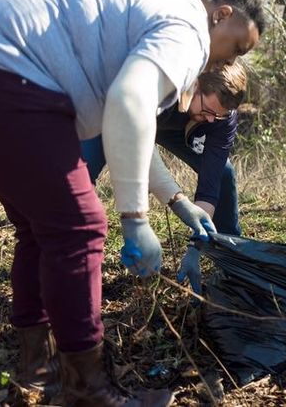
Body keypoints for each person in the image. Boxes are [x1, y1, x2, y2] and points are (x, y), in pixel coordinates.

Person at [0, 0, 265, 405]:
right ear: (223, 14)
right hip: (5, 68)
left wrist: (177, 202)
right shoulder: (189, 27)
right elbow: (129, 100)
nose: (231, 57)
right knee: (79, 228)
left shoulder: (157, 18)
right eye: (238, 46)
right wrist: (135, 219)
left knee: (39, 228)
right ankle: (90, 393)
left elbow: (131, 129)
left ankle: (37, 373)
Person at [80, 62, 248, 298]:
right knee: (80, 176)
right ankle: (74, 261)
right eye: (209, 111)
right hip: (125, 113)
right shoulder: (163, 81)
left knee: (224, 173)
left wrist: (195, 246)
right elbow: (134, 141)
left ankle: (232, 255)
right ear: (195, 86)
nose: (211, 120)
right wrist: (140, 217)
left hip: (181, 128)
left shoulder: (218, 118)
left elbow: (210, 186)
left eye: (218, 115)